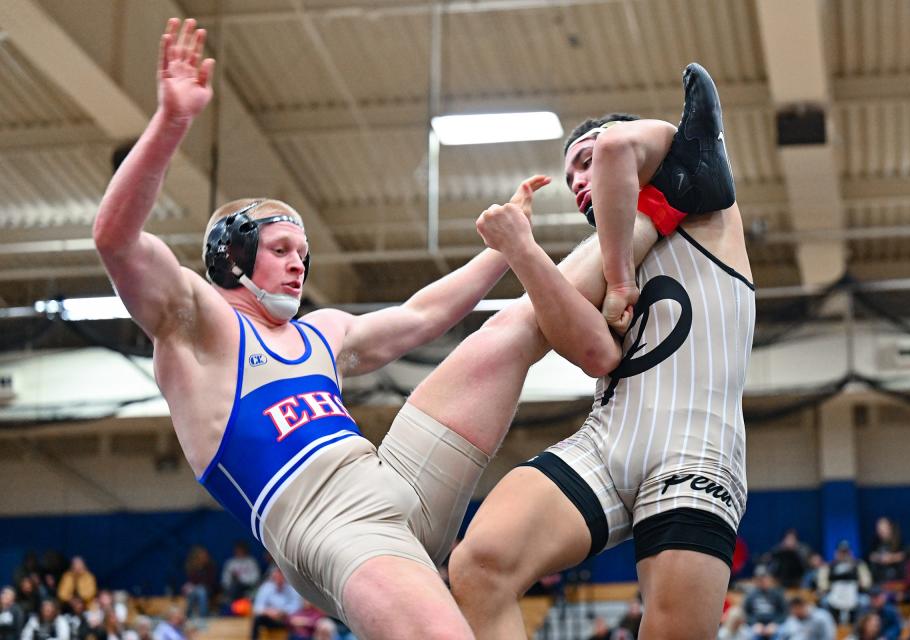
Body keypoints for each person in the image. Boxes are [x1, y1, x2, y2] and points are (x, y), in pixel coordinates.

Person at [94, 17, 676, 640]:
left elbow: (422, 315)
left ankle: (659, 203)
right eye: (282, 248)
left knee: (514, 327)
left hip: (396, 481)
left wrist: (509, 246)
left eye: (304, 251)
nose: (299, 263)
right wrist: (173, 123)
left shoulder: (323, 332)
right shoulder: (197, 326)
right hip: (332, 528)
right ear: (229, 258)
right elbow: (116, 239)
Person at [449, 64, 753, 640]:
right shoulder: (607, 247)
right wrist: (521, 249)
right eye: (570, 178)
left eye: (582, 164)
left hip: (696, 447)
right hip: (608, 440)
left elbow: (615, 146)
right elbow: (591, 354)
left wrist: (617, 282)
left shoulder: (695, 178)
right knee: (478, 565)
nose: (580, 180)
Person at [250, 568, 301, 640]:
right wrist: (267, 611)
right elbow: (257, 607)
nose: (279, 579)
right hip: (270, 618)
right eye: (277, 576)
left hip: (286, 619)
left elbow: (296, 606)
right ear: (273, 577)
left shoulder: (292, 588)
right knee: (257, 619)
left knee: (295, 621)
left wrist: (282, 612)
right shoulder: (266, 587)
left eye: (281, 576)